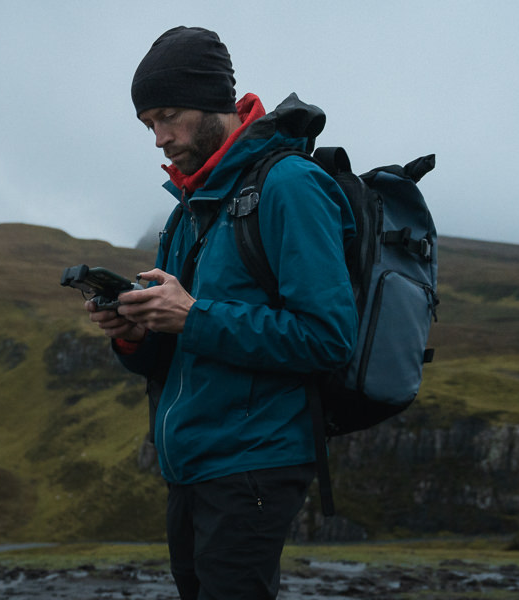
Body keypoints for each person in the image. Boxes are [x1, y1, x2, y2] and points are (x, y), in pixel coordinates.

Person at [86, 26, 358, 599]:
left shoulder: (290, 186)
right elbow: (176, 351)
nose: (159, 138)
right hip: (189, 464)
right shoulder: (188, 209)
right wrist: (136, 335)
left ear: (214, 102)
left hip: (253, 462)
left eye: (168, 116)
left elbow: (329, 338)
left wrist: (194, 316)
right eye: (148, 124)